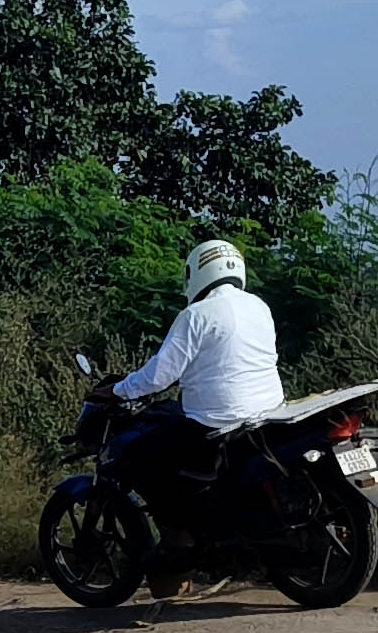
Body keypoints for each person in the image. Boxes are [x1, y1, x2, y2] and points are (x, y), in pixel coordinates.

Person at [105, 238, 287, 594]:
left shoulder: (195, 315)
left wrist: (117, 390)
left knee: (137, 454)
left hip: (215, 422)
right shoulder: (259, 306)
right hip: (266, 414)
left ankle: (178, 537)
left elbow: (159, 376)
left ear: (197, 273)